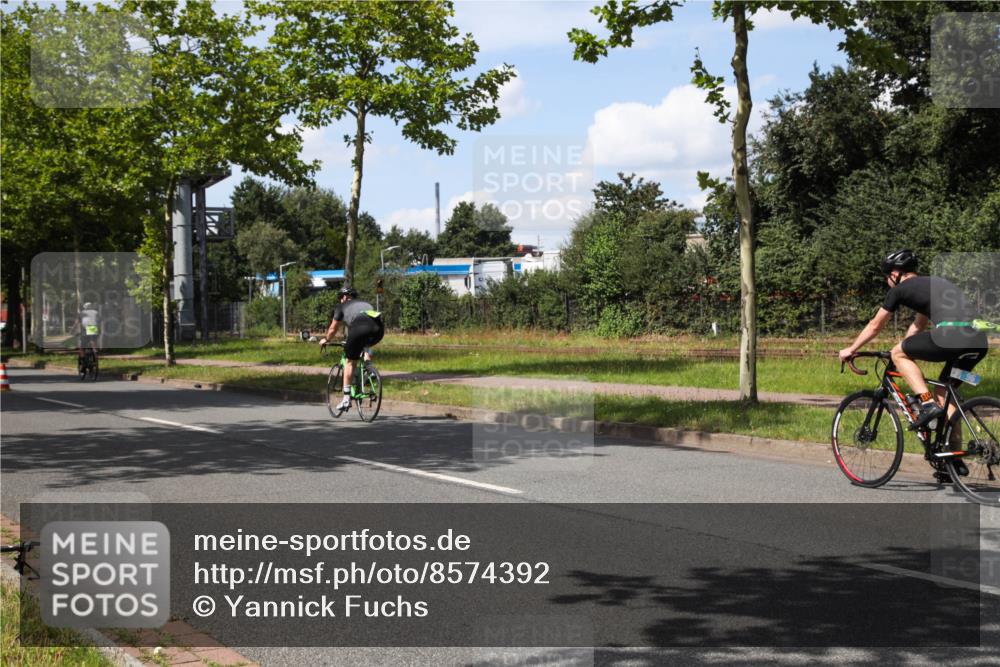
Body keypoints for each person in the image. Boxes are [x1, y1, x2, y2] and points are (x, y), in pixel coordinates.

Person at [838, 250, 989, 467]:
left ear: (896, 273)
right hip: (977, 341)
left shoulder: (900, 289)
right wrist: (908, 350)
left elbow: (875, 325)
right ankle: (953, 459)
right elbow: (918, 325)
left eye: (886, 275)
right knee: (945, 393)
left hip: (952, 335)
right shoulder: (934, 284)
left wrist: (851, 349)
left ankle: (926, 404)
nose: (887, 280)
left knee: (898, 353)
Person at [319, 286, 384, 413]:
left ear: (344, 297)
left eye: (340, 298)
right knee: (365, 344)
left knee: (350, 362)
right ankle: (368, 369)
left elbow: (333, 328)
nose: (341, 300)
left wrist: (326, 339)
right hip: (378, 329)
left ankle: (346, 399)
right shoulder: (365, 303)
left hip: (359, 328)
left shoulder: (341, 307)